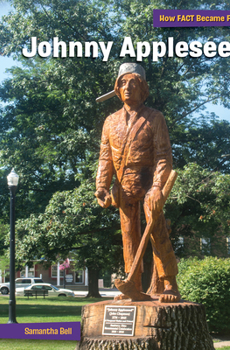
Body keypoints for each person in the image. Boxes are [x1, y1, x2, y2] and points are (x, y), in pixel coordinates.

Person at [95, 63, 180, 302]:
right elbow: (105, 157)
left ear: (143, 89)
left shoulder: (155, 118)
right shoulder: (110, 122)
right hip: (122, 186)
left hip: (149, 181)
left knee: (157, 231)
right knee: (128, 236)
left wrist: (156, 188)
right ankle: (132, 282)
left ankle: (169, 283)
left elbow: (164, 156)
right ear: (117, 89)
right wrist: (101, 186)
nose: (128, 87)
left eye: (134, 83)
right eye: (123, 83)